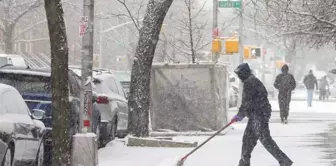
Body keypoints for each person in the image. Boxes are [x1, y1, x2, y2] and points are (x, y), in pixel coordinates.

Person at [232, 63, 293, 166]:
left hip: (259, 115)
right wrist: (241, 114)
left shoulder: (250, 83)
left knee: (265, 140)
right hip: (257, 114)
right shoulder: (252, 81)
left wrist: (240, 115)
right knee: (248, 140)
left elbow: (247, 102)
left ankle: (284, 160)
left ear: (244, 73)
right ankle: (243, 163)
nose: (239, 77)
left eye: (239, 74)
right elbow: (249, 102)